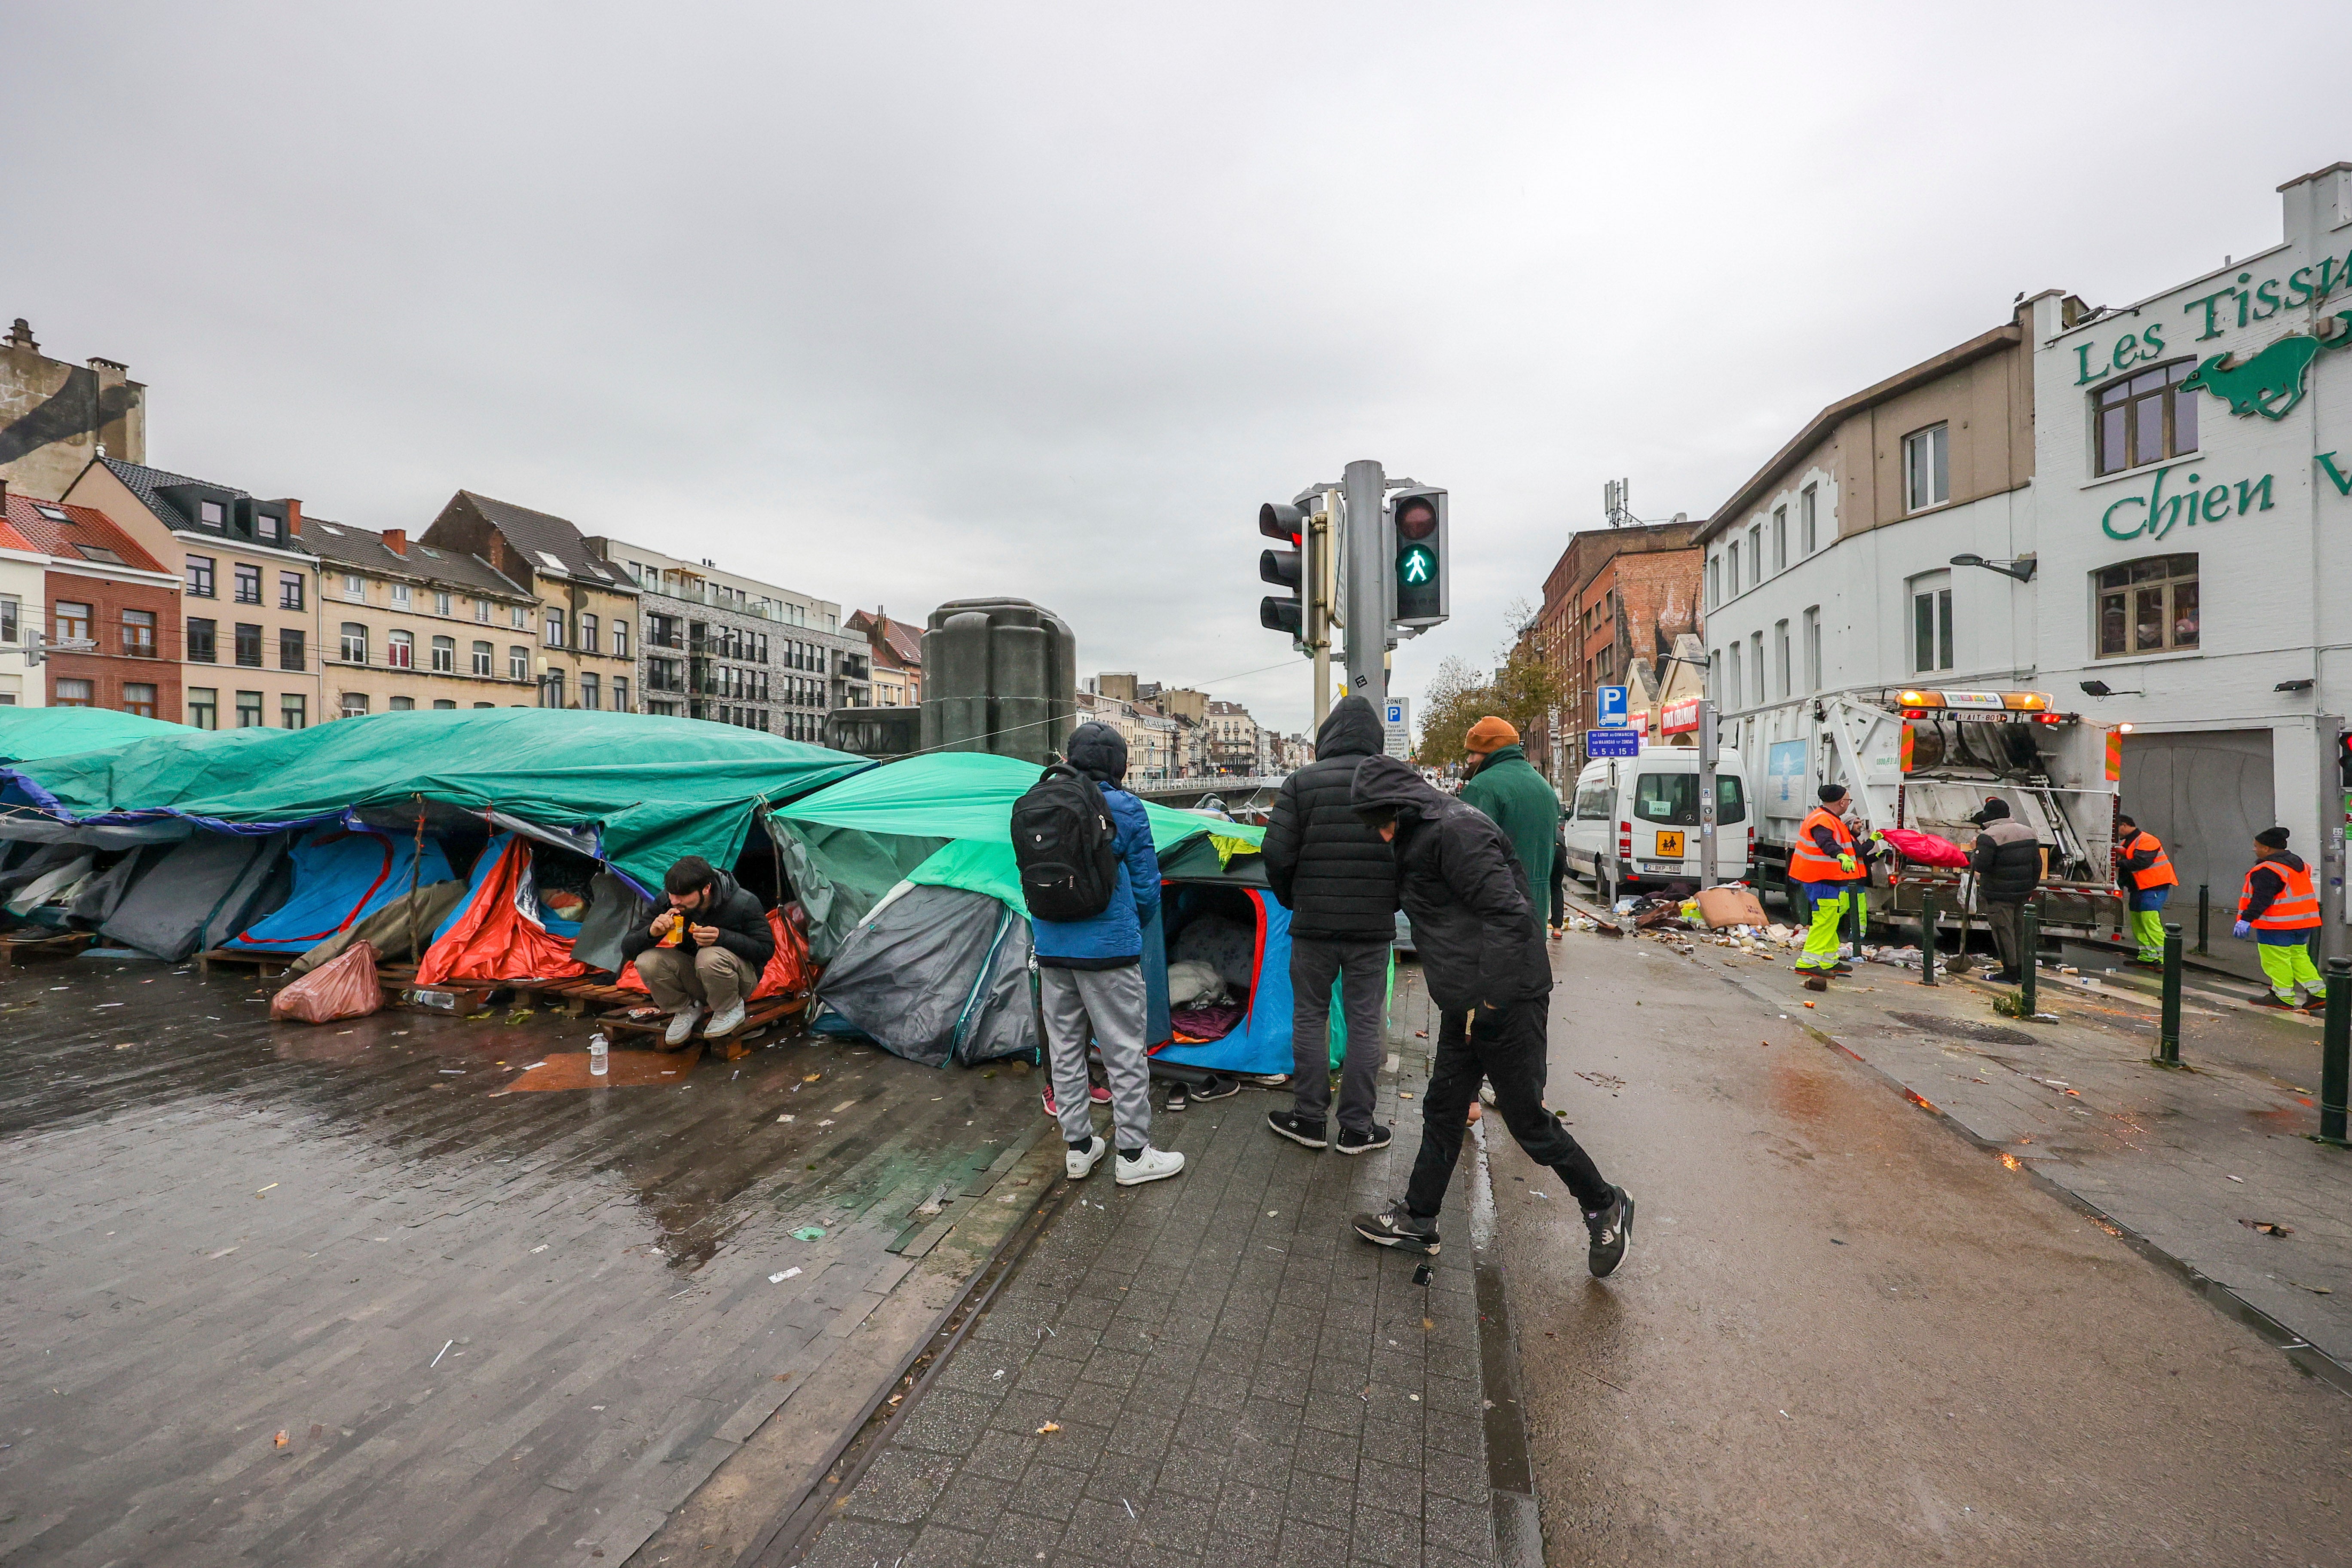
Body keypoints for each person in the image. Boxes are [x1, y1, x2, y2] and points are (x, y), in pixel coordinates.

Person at [1344, 754, 1632, 1277]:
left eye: (1379, 822)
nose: (1379, 835)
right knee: (1444, 1109)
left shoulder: (1456, 832)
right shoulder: (1418, 833)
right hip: (1467, 1001)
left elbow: (1509, 915)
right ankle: (1419, 1218)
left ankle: (1603, 1204)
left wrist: (1493, 1004)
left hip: (1505, 1001)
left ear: (1400, 807)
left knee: (1528, 1124)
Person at [1033, 722, 1185, 1186]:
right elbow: (1146, 889)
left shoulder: (1041, 801)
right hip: (1108, 952)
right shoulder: (1125, 807)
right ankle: (1134, 1155)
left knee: (1064, 1048)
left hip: (1052, 947)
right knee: (1123, 1051)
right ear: (1118, 765)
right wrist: (1126, 932)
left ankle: (1079, 1149)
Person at [1261, 695, 1400, 1155]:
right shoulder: (1391, 785)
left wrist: (1293, 900)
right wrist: (1390, 901)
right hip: (1372, 929)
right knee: (1364, 1020)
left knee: (1310, 1016)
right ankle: (1358, 1129)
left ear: (1327, 737)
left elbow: (1276, 855)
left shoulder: (1301, 783)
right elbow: (1415, 856)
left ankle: (1309, 1119)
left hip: (1314, 927)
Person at [627, 855, 775, 1045]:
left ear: (706, 889)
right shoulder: (668, 901)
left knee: (709, 956)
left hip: (739, 980)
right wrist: (650, 933)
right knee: (647, 960)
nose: (674, 901)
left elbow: (766, 950)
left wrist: (722, 937)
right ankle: (686, 1009)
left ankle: (729, 1009)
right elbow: (628, 948)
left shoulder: (743, 902)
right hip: (697, 978)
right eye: (671, 894)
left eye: (682, 895)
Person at [1458, 716, 1559, 903]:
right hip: (1537, 905)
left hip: (1495, 907)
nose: (1469, 759)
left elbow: (1466, 856)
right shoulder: (1543, 786)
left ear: (1489, 752)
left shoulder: (1482, 788)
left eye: (1474, 752)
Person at [2234, 826, 2327, 1011]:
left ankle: (2282, 997)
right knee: (2298, 957)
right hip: (2304, 922)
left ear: (2267, 849)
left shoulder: (2267, 869)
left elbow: (2262, 898)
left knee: (2276, 960)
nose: (2255, 850)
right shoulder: (2298, 864)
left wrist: (2247, 919)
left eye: (2257, 846)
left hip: (2278, 923)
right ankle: (2319, 993)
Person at [1790, 785, 1868, 978]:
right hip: (1819, 878)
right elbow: (1825, 842)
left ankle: (1828, 960)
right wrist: (1840, 855)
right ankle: (1807, 963)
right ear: (1842, 802)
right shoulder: (1823, 820)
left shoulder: (1828, 818)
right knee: (1825, 919)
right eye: (1849, 801)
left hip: (1825, 878)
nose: (1848, 804)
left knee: (1830, 918)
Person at [1968, 798, 2046, 985]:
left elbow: (1982, 865)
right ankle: (2021, 972)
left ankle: (2009, 973)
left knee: (2004, 933)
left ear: (1989, 816)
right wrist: (2031, 886)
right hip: (2022, 893)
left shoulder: (1989, 836)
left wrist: (1974, 851)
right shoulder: (2029, 833)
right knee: (2020, 932)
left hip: (1998, 894)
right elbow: (2037, 864)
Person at [2114, 814, 2179, 968]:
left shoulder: (2148, 840)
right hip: (2140, 888)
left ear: (2124, 825)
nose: (2116, 833)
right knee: (2138, 923)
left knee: (2149, 922)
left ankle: (2168, 961)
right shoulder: (2129, 842)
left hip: (2154, 886)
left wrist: (2118, 864)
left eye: (2117, 828)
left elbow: (2141, 862)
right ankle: (2147, 956)